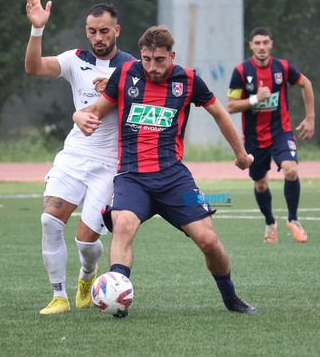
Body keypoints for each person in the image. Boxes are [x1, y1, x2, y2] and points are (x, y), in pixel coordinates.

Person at [73, 26, 257, 315]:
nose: (152, 66)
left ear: (171, 56)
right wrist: (77, 115)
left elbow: (220, 113)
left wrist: (241, 154)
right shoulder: (124, 75)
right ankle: (117, 300)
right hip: (132, 178)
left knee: (209, 240)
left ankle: (231, 298)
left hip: (174, 179)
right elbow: (95, 110)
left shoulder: (189, 80)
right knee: (122, 227)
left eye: (159, 60)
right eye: (146, 59)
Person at [25, 0, 135, 314]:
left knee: (86, 241)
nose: (98, 37)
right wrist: (37, 29)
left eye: (104, 31)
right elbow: (33, 67)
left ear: (117, 30)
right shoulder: (75, 59)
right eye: (92, 31)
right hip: (74, 155)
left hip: (109, 164)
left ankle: (88, 276)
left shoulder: (132, 67)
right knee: (49, 221)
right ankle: (58, 297)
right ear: (86, 31)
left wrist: (114, 91)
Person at [227, 26, 315, 243]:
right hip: (254, 138)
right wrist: (256, 99)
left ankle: (293, 220)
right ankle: (270, 223)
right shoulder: (241, 71)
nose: (262, 47)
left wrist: (310, 117)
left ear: (271, 44)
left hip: (281, 132)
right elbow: (230, 106)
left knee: (291, 170)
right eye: (257, 43)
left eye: (265, 42)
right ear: (251, 46)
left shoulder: (282, 67)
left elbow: (306, 83)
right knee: (261, 184)